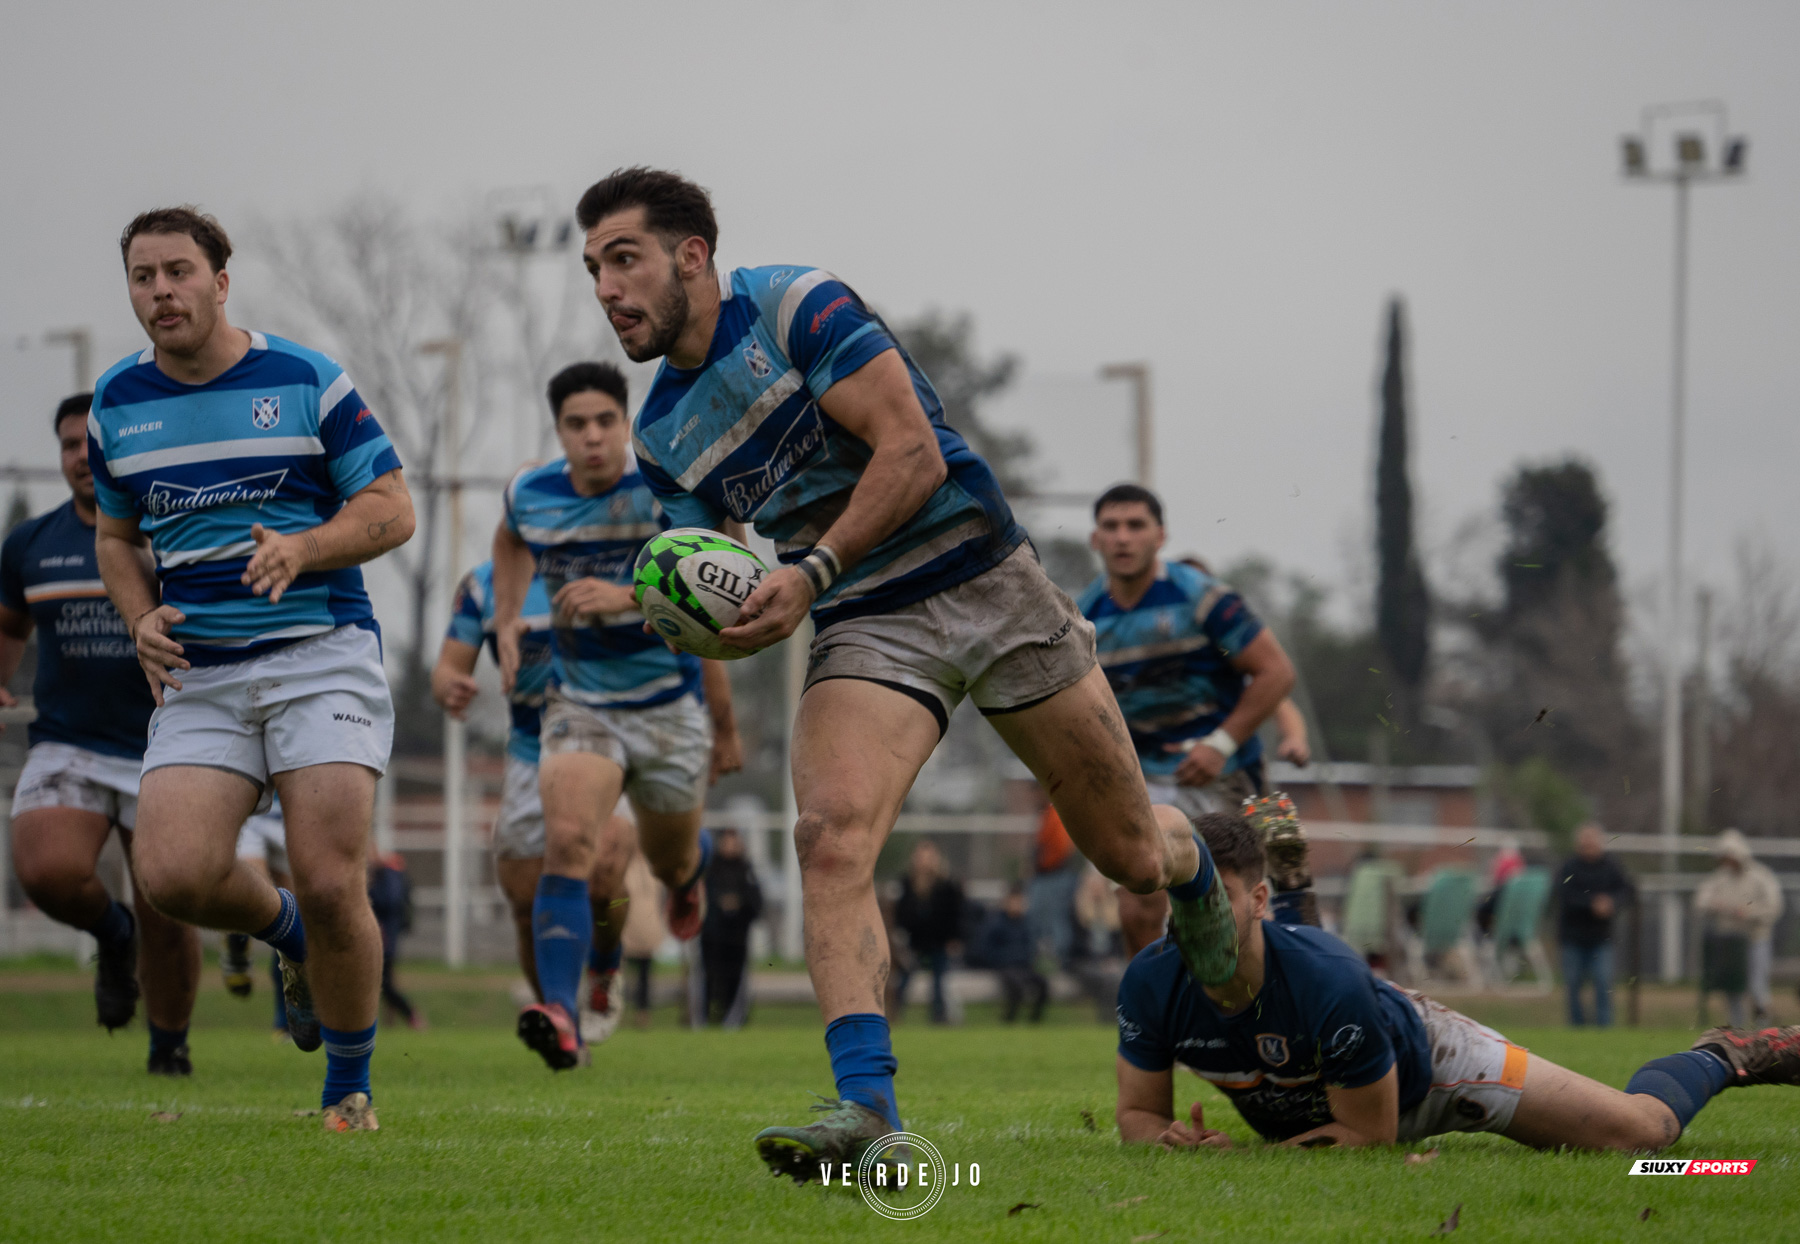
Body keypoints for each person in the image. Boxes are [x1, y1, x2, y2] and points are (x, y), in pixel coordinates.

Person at [575, 167, 1233, 1178]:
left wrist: (808, 569)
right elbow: (716, 570)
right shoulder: (661, 433)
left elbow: (913, 451)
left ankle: (1198, 869)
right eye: (593, 270)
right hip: (868, 622)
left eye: (624, 258)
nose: (608, 288)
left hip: (989, 579)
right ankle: (867, 1108)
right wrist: (715, 619)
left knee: (1132, 857)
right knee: (828, 836)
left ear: (691, 255)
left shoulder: (796, 305)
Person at [90, 207, 414, 1133]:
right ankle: (292, 939)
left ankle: (347, 1087)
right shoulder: (118, 401)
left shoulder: (307, 379)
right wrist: (138, 614)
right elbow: (116, 537)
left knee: (328, 873)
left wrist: (307, 547)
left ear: (221, 282)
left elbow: (393, 508)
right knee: (175, 876)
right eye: (143, 276)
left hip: (321, 656)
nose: (162, 292)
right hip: (202, 671)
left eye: (179, 272)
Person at [1115, 811, 1800, 1154]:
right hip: (1331, 1089)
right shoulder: (1150, 981)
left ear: (1259, 899)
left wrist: (1237, 1161)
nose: (1194, 921)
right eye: (1186, 903)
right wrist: (1173, 1142)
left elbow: (1369, 1137)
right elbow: (1138, 1115)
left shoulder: (1333, 981)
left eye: (1215, 901)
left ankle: (1728, 1053)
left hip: (1435, 1065)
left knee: (1642, 1142)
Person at [490, 359, 743, 1071]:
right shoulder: (530, 493)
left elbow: (729, 572)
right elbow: (509, 537)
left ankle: (686, 882)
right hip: (580, 703)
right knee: (568, 842)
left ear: (624, 424)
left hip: (668, 706)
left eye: (606, 422)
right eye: (577, 425)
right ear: (560, 432)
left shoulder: (663, 486)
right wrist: (508, 619)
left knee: (667, 859)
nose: (593, 437)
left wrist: (627, 595)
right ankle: (563, 1015)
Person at [0, 392, 201, 1075]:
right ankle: (112, 937)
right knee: (46, 871)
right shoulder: (31, 543)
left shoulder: (175, 530)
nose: (81, 457)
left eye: (93, 442)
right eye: (66, 445)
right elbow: (9, 624)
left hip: (168, 741)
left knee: (168, 910)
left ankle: (169, 1049)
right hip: (70, 740)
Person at [1082, 495, 1314, 941]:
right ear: (1096, 538)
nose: (1123, 537)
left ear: (1160, 536)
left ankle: (1301, 977)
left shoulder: (1205, 603)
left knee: (1284, 887)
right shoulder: (1084, 616)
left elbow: (1278, 679)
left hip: (1232, 776)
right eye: (1111, 526)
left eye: (1135, 524)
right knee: (1136, 913)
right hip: (1145, 779)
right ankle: (1153, 1010)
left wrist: (1230, 744)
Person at [432, 559, 636, 1044]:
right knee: (526, 903)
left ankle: (606, 966)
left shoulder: (617, 556)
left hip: (604, 735)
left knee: (605, 878)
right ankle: (562, 1024)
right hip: (529, 748)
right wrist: (449, 688)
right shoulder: (482, 586)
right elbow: (446, 667)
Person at [1694, 829, 1784, 1027]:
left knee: (1757, 987)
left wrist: (1749, 913)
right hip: (1730, 943)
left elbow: (1774, 906)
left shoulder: (1760, 876)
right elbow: (1701, 901)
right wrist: (1718, 906)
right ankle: (1737, 1033)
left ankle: (1764, 1033)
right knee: (1733, 989)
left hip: (1755, 940)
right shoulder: (1720, 878)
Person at [221, 799, 295, 1038]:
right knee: (255, 896)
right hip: (251, 812)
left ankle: (284, 1021)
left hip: (293, 815)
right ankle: (237, 938)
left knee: (292, 926)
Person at [1556, 823, 1633, 1028]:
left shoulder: (1611, 867)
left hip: (1601, 938)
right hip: (1572, 938)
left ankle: (1604, 1028)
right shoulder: (1569, 868)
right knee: (1573, 985)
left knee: (1603, 983)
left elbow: (1627, 890)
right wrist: (1592, 905)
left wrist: (1612, 903)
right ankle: (1577, 1027)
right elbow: (1564, 896)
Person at [892, 840, 965, 1025]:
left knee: (939, 981)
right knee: (904, 978)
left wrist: (953, 939)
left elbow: (955, 915)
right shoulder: (906, 883)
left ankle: (938, 1018)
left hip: (939, 942)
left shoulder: (948, 885)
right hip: (915, 943)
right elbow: (901, 915)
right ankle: (893, 1015)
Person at [699, 827, 763, 1027]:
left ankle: (734, 1018)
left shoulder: (745, 869)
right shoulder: (710, 869)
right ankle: (708, 1017)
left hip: (737, 937)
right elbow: (703, 900)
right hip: (712, 936)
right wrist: (719, 906)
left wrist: (739, 905)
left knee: (735, 979)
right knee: (709, 977)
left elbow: (757, 902)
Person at [366, 845, 420, 1029]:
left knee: (385, 984)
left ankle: (411, 1015)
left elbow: (389, 901)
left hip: (385, 937)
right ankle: (393, 1020)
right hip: (384, 936)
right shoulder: (386, 873)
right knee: (383, 983)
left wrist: (370, 891)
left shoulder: (388, 873)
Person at [977, 886, 1047, 1023]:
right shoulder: (995, 923)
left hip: (1024, 966)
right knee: (1017, 985)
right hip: (1005, 966)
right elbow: (986, 948)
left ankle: (1035, 1021)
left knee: (1043, 984)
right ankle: (1010, 1019)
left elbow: (1031, 946)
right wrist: (1000, 961)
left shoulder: (1026, 923)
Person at [1028, 803, 1081, 967]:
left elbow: (1061, 848)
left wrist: (1044, 863)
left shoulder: (1056, 812)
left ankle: (1062, 958)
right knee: (1043, 917)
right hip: (1051, 873)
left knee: (1056, 917)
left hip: (1055, 873)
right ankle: (1047, 957)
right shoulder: (1048, 812)